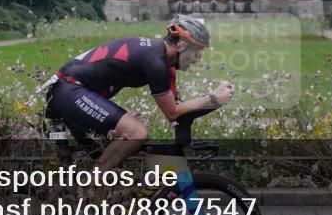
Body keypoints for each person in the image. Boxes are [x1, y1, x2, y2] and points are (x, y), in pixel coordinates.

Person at [46, 15, 234, 170]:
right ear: (182, 46)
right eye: (197, 53)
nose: (197, 60)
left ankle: (81, 201)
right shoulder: (155, 62)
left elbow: (178, 115)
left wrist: (214, 102)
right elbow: (172, 112)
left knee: (112, 156)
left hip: (71, 92)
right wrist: (212, 97)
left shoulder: (165, 67)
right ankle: (91, 192)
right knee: (136, 133)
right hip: (69, 89)